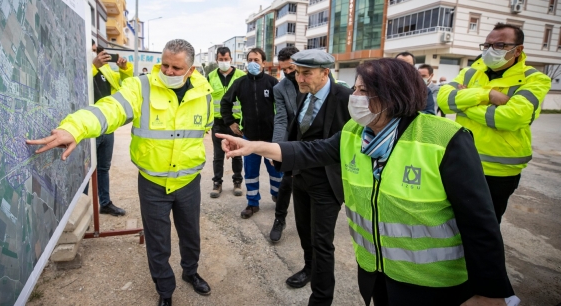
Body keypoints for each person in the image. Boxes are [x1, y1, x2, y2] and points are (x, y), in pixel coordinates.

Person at [217, 58, 516, 306]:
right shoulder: (355, 133)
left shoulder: (444, 138)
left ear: (392, 94)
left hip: (433, 284)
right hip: (376, 274)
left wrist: (491, 292)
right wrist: (254, 146)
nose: (354, 96)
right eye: (356, 88)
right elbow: (309, 150)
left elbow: (479, 222)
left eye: (363, 90)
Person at [27, 39, 213, 306]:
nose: (168, 72)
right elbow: (109, 109)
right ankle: (165, 291)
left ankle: (191, 273)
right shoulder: (141, 87)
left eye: (176, 68)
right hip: (153, 182)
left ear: (191, 70)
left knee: (191, 234)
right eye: (165, 65)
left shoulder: (204, 94)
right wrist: (76, 127)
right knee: (157, 240)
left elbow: (203, 129)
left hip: (188, 181)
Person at [438, 23, 551, 223]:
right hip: (462, 161)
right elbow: (444, 101)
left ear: (518, 50)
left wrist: (464, 102)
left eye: (499, 45)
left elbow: (512, 117)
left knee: (484, 228)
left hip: (499, 170)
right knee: (452, 223)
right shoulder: (472, 72)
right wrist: (486, 94)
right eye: (487, 45)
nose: (491, 51)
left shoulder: (534, 79)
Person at [282, 49, 352, 305]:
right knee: (304, 231)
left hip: (327, 183)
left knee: (322, 241)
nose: (299, 79)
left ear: (325, 73)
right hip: (300, 178)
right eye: (298, 73)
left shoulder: (345, 97)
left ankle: (321, 298)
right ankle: (309, 269)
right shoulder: (306, 93)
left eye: (306, 73)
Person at [221, 47, 282, 219]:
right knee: (251, 172)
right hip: (249, 138)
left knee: (276, 171)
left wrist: (280, 131)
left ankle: (278, 197)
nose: (252, 63)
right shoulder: (240, 83)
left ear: (263, 63)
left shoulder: (272, 83)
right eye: (250, 60)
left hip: (271, 139)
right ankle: (252, 203)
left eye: (256, 60)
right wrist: (230, 123)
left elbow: (283, 108)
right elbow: (226, 103)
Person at [87, 41, 132, 216]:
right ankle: (78, 207)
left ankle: (105, 203)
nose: (94, 52)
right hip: (88, 126)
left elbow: (124, 86)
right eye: (91, 50)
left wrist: (124, 69)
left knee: (103, 167)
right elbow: (79, 84)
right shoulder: (84, 68)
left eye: (95, 49)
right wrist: (93, 66)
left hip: (106, 124)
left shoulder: (105, 69)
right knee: (83, 170)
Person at [270, 46, 300, 242]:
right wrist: (277, 148)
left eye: (291, 68)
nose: (287, 73)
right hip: (294, 139)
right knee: (287, 181)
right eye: (284, 70)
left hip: (319, 141)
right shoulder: (280, 89)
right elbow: (281, 119)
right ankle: (279, 219)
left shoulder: (320, 80)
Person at [206, 47, 246, 197]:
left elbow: (246, 100)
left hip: (236, 123)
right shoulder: (210, 76)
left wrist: (243, 123)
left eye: (226, 59)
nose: (224, 62)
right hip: (218, 122)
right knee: (218, 155)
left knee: (237, 153)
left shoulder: (241, 75)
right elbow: (207, 100)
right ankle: (217, 183)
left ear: (231, 59)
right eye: (221, 59)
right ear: (216, 60)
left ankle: (237, 182)